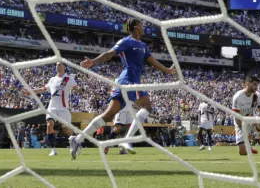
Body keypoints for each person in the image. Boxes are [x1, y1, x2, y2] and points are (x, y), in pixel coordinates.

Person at [69, 19, 176, 159]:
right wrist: (93, 62)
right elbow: (110, 54)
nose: (144, 28)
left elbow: (153, 61)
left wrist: (168, 70)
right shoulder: (126, 41)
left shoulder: (143, 45)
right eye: (142, 25)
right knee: (146, 107)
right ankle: (127, 140)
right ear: (136, 27)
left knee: (108, 116)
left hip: (129, 82)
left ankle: (77, 139)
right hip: (129, 80)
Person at [33, 62, 74, 156]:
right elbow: (43, 89)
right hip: (52, 107)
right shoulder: (52, 79)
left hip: (63, 108)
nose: (57, 66)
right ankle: (53, 150)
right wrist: (30, 91)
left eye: (59, 64)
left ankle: (75, 143)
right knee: (49, 124)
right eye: (56, 65)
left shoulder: (68, 78)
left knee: (67, 130)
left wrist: (79, 89)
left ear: (64, 67)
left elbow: (75, 86)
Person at [231, 75, 260, 157]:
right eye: (254, 84)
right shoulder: (238, 97)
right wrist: (244, 131)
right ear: (247, 83)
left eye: (257, 85)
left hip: (252, 120)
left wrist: (259, 120)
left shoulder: (257, 95)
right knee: (242, 152)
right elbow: (237, 118)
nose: (256, 87)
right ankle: (248, 147)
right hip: (241, 123)